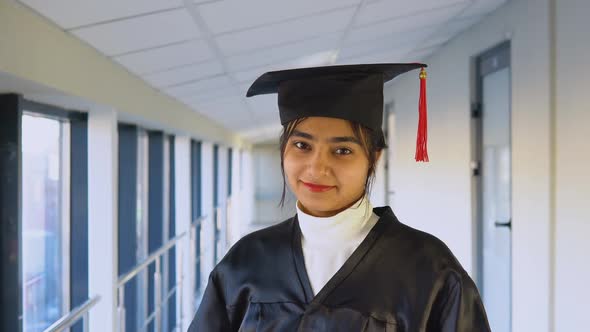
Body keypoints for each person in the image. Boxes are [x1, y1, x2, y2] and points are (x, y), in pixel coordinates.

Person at [188, 63, 491, 331]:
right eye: (302, 146)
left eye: (342, 150)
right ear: (283, 151)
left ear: (373, 159)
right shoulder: (247, 260)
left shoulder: (429, 269)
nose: (317, 168)